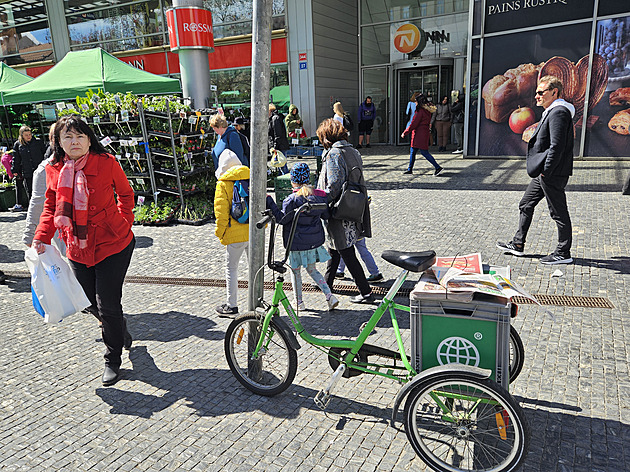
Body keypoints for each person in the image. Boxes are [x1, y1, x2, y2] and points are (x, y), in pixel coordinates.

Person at [32, 115, 135, 387]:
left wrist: (123, 222)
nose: (74, 141)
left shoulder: (107, 163)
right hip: (77, 247)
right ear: (59, 142)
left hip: (113, 243)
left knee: (107, 304)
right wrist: (42, 237)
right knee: (87, 303)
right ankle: (119, 328)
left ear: (90, 139)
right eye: (68, 137)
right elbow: (50, 207)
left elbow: (126, 195)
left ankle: (112, 358)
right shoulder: (53, 169)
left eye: (80, 136)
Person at [497, 75, 575, 265]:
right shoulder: (553, 111)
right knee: (526, 204)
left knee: (558, 212)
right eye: (536, 92)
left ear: (554, 92)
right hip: (545, 172)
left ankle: (563, 253)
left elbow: (557, 146)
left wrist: (546, 170)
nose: (537, 96)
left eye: (541, 92)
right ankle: (517, 245)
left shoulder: (559, 112)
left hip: (552, 173)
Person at [266, 162, 339, 311]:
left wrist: (269, 201)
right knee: (313, 270)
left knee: (295, 271)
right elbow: (325, 215)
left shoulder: (291, 200)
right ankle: (330, 296)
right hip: (313, 242)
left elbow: (282, 219)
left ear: (292, 180)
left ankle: (299, 302)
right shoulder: (319, 196)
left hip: (296, 243)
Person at [316, 118, 374, 304]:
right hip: (353, 207)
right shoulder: (352, 150)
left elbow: (333, 185)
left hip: (338, 211)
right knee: (335, 250)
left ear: (326, 136)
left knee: (345, 251)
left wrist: (318, 198)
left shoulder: (334, 154)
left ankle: (366, 292)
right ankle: (327, 285)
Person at [214, 150, 250, 316]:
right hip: (252, 232)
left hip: (233, 234)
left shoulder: (223, 184)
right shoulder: (250, 177)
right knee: (254, 269)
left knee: (231, 269)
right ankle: (255, 302)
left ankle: (232, 305)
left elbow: (221, 214)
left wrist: (220, 234)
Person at [22, 123, 66, 254]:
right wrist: (30, 234)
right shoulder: (45, 169)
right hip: (65, 230)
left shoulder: (90, 161)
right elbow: (38, 202)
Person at [401, 93, 443, 176]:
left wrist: (405, 132)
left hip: (418, 134)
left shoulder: (419, 111)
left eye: (415, 101)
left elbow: (414, 123)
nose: (414, 103)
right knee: (414, 151)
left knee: (423, 152)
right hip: (423, 133)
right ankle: (410, 169)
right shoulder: (426, 110)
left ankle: (437, 167)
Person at [10, 125, 45, 211]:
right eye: (26, 135)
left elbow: (45, 154)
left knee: (42, 189)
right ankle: (34, 209)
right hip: (27, 170)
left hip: (39, 169)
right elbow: (16, 158)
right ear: (22, 135)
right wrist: (15, 170)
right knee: (30, 190)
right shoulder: (18, 144)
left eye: (29, 134)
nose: (29, 136)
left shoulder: (38, 142)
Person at [268, 103, 290, 174]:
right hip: (280, 145)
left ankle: (286, 181)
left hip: (280, 146)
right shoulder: (274, 118)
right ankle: (283, 181)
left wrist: (275, 147)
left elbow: (278, 134)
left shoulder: (275, 119)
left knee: (282, 165)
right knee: (281, 165)